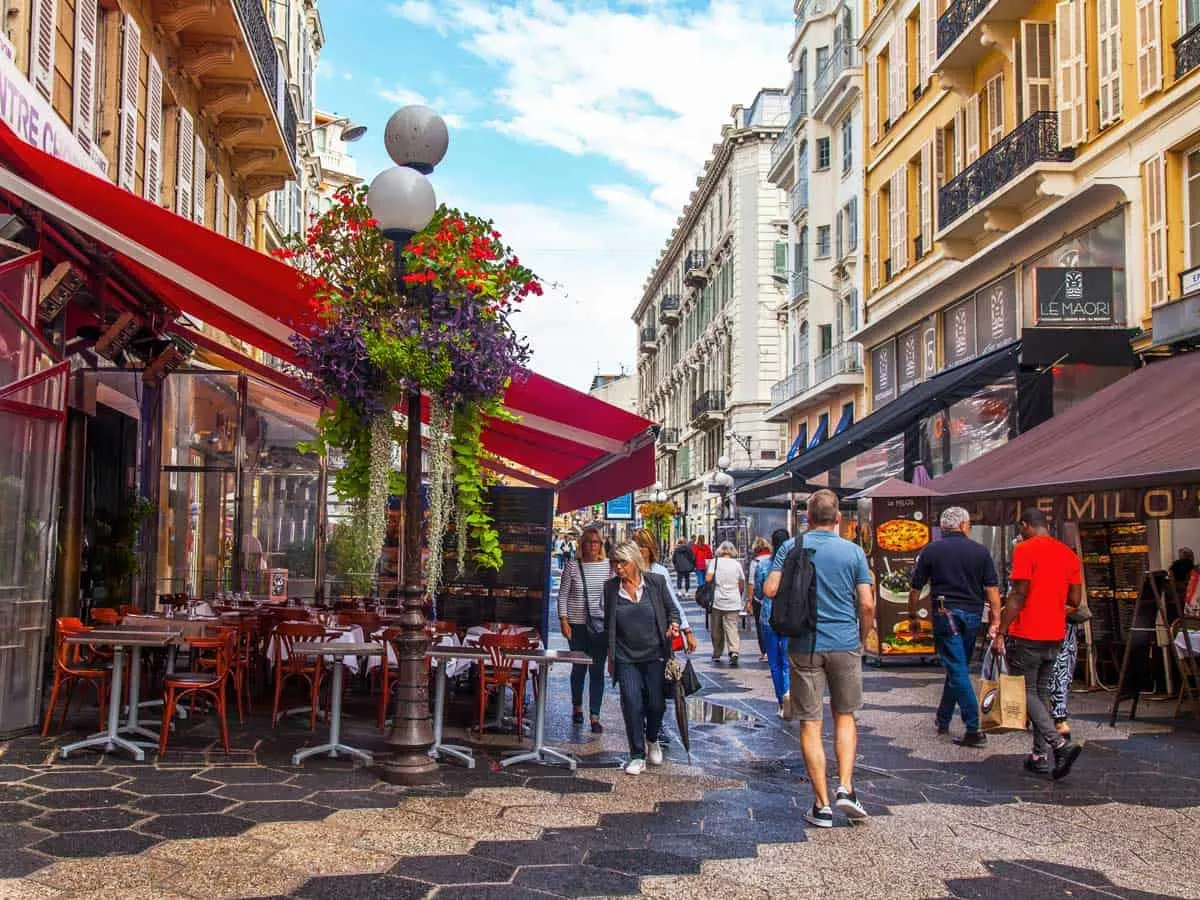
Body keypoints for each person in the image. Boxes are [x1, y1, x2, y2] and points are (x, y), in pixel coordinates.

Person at [764, 489, 874, 828]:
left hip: (805, 644)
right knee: (845, 716)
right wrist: (861, 637)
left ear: (807, 519)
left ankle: (822, 805)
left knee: (810, 722)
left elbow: (769, 589)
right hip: (844, 643)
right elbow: (867, 604)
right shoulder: (854, 552)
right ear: (838, 518)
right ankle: (846, 787)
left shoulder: (791, 548)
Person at [992, 507, 1084, 780]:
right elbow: (1076, 601)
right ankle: (1039, 756)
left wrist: (1001, 631)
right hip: (1055, 633)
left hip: (1027, 632)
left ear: (1025, 525)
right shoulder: (1068, 554)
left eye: (1021, 528)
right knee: (1040, 693)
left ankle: (1059, 745)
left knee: (1025, 692)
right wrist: (1053, 610)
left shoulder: (1025, 549)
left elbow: (1018, 594)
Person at [907, 506, 1001, 748]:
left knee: (956, 667)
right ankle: (944, 717)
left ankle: (974, 726)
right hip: (972, 614)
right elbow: (992, 589)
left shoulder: (932, 550)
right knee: (958, 665)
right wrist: (996, 619)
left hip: (944, 612)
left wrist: (913, 616)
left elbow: (915, 588)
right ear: (963, 525)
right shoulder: (980, 552)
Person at [604, 540, 681, 775]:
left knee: (656, 704)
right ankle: (637, 754)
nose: (619, 568)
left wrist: (674, 625)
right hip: (626, 657)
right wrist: (610, 656)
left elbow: (672, 610)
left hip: (655, 655)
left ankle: (652, 738)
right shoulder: (610, 589)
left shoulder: (655, 583)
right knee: (632, 702)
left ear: (635, 562)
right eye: (615, 563)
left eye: (623, 563)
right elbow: (608, 624)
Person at [556, 526, 611, 733]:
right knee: (578, 668)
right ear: (582, 545)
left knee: (597, 670)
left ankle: (595, 716)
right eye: (588, 542)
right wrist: (564, 620)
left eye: (595, 542)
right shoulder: (572, 566)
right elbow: (563, 595)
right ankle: (577, 707)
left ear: (601, 545)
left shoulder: (608, 567)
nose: (592, 546)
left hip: (599, 626)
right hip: (577, 625)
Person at [633, 529, 698, 653]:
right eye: (636, 546)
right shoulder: (627, 570)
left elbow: (672, 603)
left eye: (642, 546)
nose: (639, 550)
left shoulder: (659, 571)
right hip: (633, 636)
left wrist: (687, 630)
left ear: (650, 548)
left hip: (657, 636)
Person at [757, 529, 792, 718]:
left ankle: (781, 701)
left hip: (769, 616)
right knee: (788, 660)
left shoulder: (764, 565)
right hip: (790, 617)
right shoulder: (795, 564)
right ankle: (788, 693)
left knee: (775, 662)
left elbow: (760, 592)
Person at [706, 541, 746, 666]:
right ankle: (734, 651)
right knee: (732, 626)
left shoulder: (715, 562)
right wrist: (738, 592)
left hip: (718, 599)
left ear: (720, 550)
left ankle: (717, 652)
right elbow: (741, 582)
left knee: (716, 628)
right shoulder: (736, 564)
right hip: (733, 600)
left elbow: (708, 578)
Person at [747, 537, 772, 663]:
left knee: (760, 624)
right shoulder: (775, 559)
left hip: (760, 598)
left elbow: (752, 583)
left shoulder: (755, 562)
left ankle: (765, 651)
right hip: (774, 597)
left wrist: (750, 600)